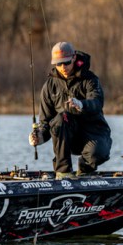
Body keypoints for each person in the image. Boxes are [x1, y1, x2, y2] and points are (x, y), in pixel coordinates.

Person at [28, 41, 112, 177]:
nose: (63, 67)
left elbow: (97, 102)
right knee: (61, 118)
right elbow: (46, 123)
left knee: (97, 153)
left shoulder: (90, 79)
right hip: (67, 138)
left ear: (74, 58)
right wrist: (40, 137)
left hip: (94, 132)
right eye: (58, 64)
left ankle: (84, 170)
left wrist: (82, 105)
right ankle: (63, 172)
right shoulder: (49, 87)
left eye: (66, 62)